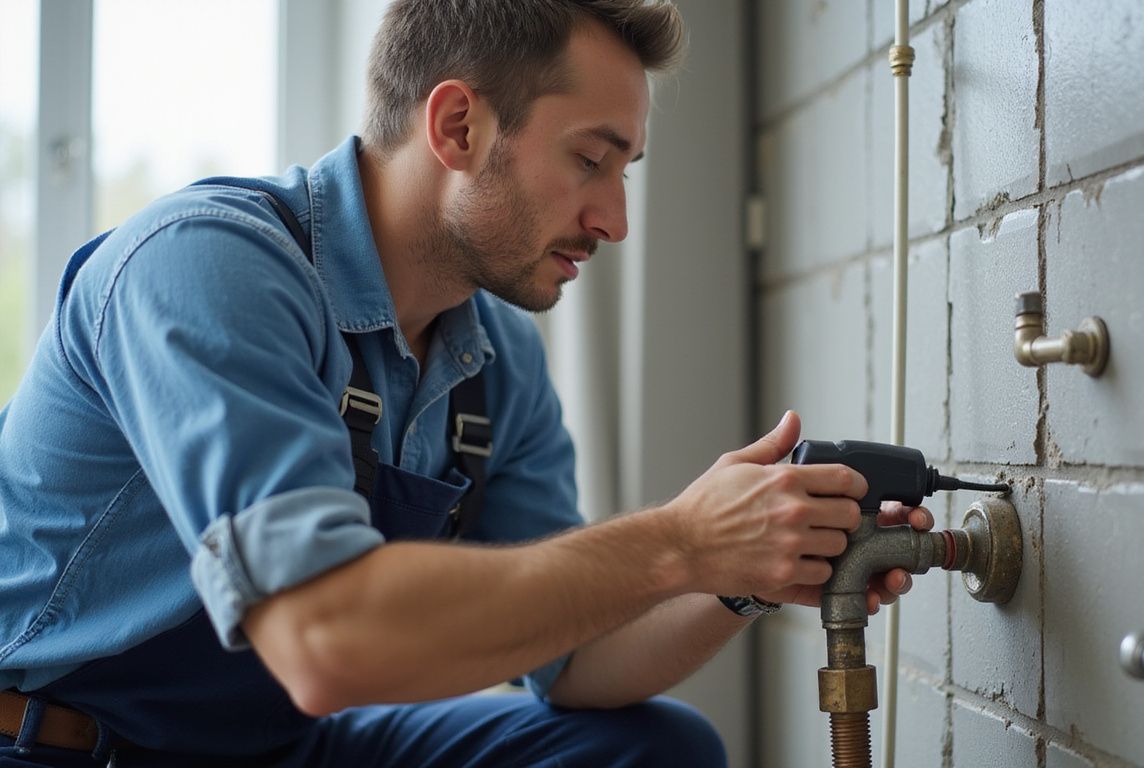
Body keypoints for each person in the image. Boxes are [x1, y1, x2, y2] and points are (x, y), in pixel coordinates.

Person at [0, 1, 933, 765]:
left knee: (656, 749)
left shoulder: (497, 357)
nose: (614, 220)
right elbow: (322, 639)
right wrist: (681, 537)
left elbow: (576, 661)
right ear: (457, 126)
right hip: (62, 744)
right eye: (590, 160)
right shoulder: (206, 268)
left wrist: (738, 573)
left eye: (624, 172)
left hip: (272, 742)